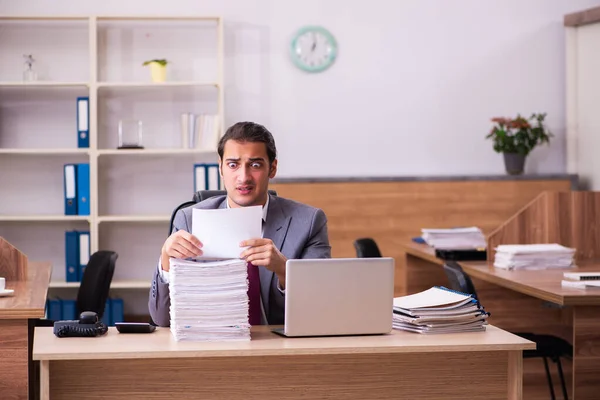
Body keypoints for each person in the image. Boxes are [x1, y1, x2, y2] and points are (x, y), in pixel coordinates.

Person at [148, 121, 331, 326]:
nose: (243, 177)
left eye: (255, 165)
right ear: (220, 168)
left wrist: (283, 269)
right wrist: (165, 259)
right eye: (233, 165)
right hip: (212, 345)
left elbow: (320, 307)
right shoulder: (188, 220)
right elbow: (161, 319)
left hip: (278, 349)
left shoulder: (309, 222)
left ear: (272, 168)